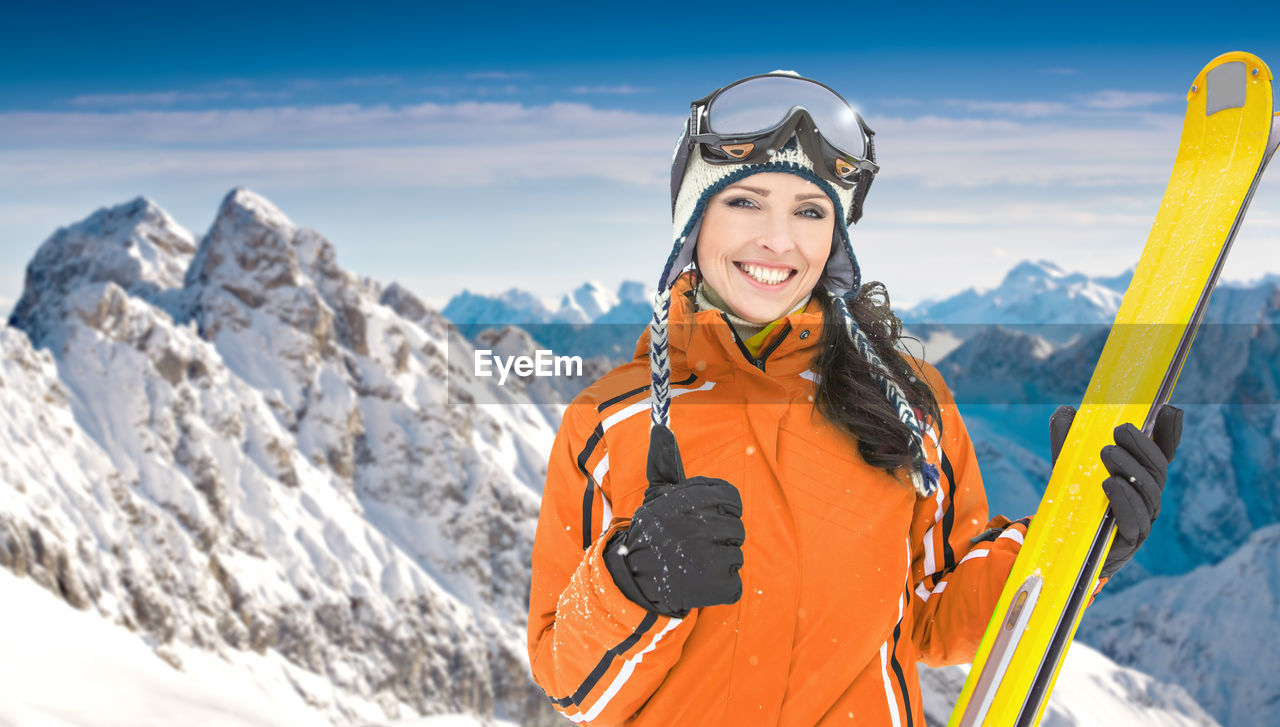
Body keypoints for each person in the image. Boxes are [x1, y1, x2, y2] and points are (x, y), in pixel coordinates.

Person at [526, 72, 1182, 726]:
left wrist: (1075, 548)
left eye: (810, 211)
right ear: (694, 220)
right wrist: (633, 581)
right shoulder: (609, 422)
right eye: (745, 202)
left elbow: (937, 608)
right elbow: (570, 686)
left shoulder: (903, 400)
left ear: (834, 236)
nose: (778, 241)